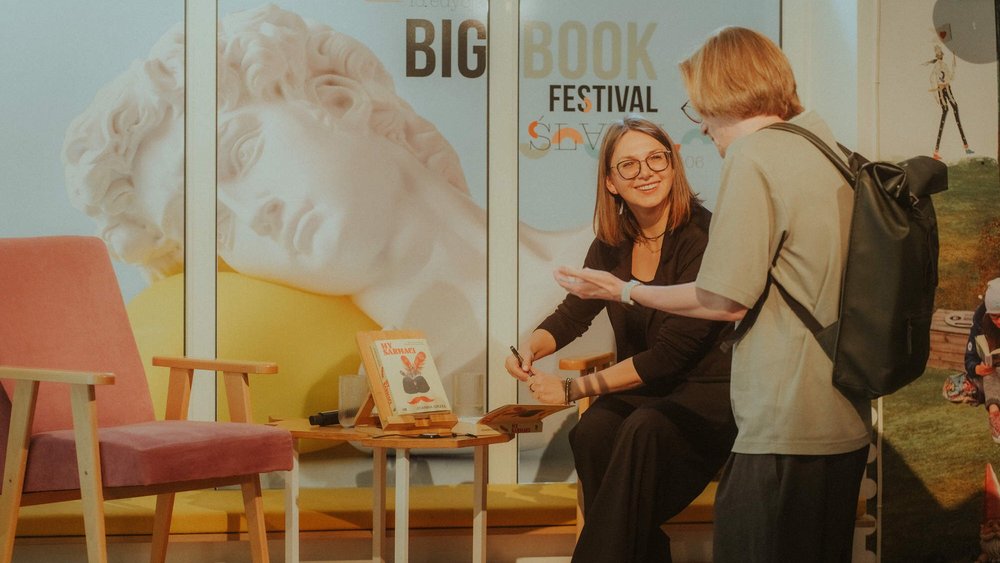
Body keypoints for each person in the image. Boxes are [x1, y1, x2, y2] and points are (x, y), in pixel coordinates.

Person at [61, 4, 595, 391]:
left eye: (242, 153)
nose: (254, 213)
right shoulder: (407, 388)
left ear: (337, 99)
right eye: (214, 224)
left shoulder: (642, 258)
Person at [555, 27, 872, 562]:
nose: (700, 124)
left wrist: (629, 291)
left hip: (784, 417)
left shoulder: (754, 158)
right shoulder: (826, 148)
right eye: (627, 166)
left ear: (724, 92)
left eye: (699, 106)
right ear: (610, 182)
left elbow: (724, 300)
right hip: (839, 411)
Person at [507, 115, 736, 563]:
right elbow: (575, 313)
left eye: (656, 159)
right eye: (628, 166)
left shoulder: (703, 236)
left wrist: (573, 389)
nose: (645, 172)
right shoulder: (613, 242)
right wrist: (532, 346)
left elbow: (671, 356)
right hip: (644, 393)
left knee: (641, 429)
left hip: (706, 395)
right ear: (611, 183)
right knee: (592, 432)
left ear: (674, 167)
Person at [942, 278, 1000, 442]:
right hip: (992, 375)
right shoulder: (981, 322)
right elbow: (970, 359)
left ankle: (993, 406)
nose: (999, 321)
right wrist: (977, 369)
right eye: (995, 317)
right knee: (954, 386)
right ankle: (995, 411)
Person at [925, 44, 974, 160]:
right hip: (942, 91)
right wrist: (936, 96)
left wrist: (954, 64)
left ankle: (966, 147)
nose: (940, 55)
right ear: (937, 56)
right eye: (938, 54)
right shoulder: (936, 67)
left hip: (947, 89)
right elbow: (932, 79)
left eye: (940, 54)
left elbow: (950, 78)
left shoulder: (944, 65)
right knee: (946, 112)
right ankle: (936, 151)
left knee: (955, 109)